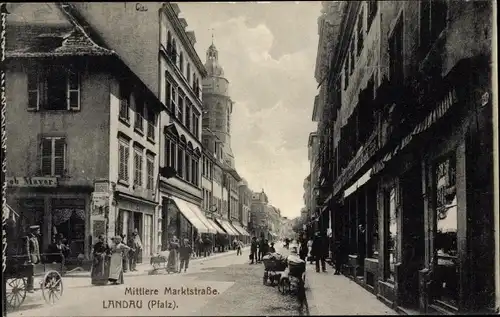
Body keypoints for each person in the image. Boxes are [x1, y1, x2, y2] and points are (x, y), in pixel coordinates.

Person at [25, 225, 41, 292]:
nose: (39, 231)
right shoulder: (29, 238)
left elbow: (37, 250)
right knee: (31, 273)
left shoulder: (35, 238)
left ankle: (30, 286)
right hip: (32, 258)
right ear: (34, 231)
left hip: (36, 258)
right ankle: (30, 287)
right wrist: (28, 259)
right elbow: (27, 249)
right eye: (38, 230)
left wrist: (39, 258)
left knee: (33, 273)